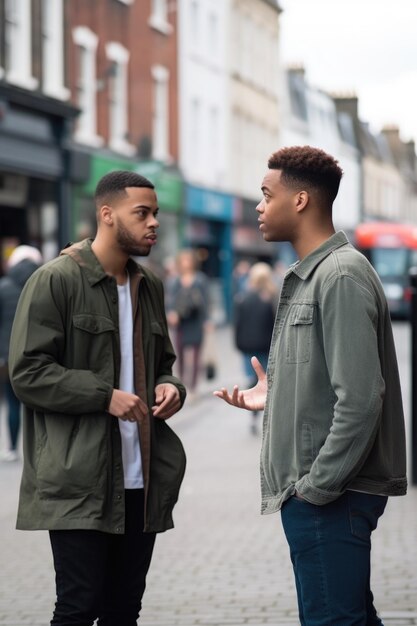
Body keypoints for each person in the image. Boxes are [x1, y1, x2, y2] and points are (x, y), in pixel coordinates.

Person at [214, 146, 407, 626]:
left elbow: (361, 400)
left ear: (300, 200)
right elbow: (333, 380)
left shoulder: (338, 275)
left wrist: (315, 489)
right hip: (323, 497)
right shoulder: (314, 275)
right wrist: (274, 393)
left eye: (266, 194)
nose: (259, 206)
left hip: (330, 497)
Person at [8, 170, 187, 626]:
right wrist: (104, 396)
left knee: (124, 611)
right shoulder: (57, 281)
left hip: (140, 478)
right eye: (141, 213)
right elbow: (27, 373)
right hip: (78, 479)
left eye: (156, 214)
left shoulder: (150, 287)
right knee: (77, 608)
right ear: (107, 215)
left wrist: (171, 386)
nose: (153, 224)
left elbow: (162, 362)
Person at [0, 245, 42, 462]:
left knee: (12, 402)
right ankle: (39, 448)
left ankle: (13, 448)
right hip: (40, 354)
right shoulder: (44, 283)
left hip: (8, 354)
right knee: (38, 402)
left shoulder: (3, 286)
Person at [234, 262, 277, 434]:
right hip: (266, 347)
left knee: (253, 380)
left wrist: (238, 344)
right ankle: (268, 417)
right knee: (268, 381)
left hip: (248, 347)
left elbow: (237, 325)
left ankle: (254, 415)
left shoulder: (243, 297)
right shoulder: (272, 298)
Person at [167, 249, 209, 396]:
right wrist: (171, 314)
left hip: (196, 321)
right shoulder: (174, 281)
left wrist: (207, 321)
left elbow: (206, 302)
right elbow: (170, 301)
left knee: (197, 355)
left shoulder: (200, 279)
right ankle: (182, 383)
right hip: (181, 322)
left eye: (188, 260)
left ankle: (193, 386)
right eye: (183, 260)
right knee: (180, 353)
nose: (186, 263)